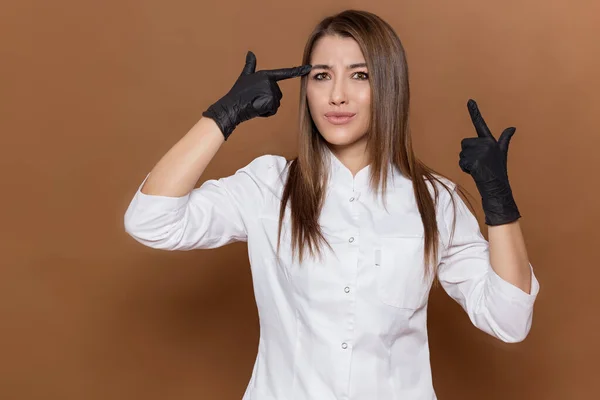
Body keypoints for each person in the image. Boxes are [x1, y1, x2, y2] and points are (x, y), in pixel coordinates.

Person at [124, 9, 540, 400]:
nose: (337, 95)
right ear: (305, 87)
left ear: (388, 86)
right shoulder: (268, 186)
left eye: (359, 75)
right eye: (322, 76)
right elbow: (151, 221)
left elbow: (509, 321)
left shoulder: (434, 201)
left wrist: (498, 202)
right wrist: (222, 115)